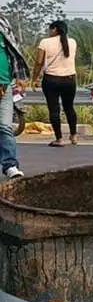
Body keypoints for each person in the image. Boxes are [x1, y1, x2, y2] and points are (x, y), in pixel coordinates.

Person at [32, 20, 78, 147]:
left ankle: (59, 139)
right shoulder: (73, 42)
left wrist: (34, 79)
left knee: (54, 110)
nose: (48, 32)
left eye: (50, 29)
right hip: (69, 79)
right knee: (69, 108)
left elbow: (38, 62)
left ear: (55, 29)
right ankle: (74, 136)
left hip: (51, 80)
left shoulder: (45, 42)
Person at [0, 15, 28, 179]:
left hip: (4, 85)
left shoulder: (2, 22)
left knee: (4, 126)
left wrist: (20, 76)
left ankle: (10, 165)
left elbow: (14, 50)